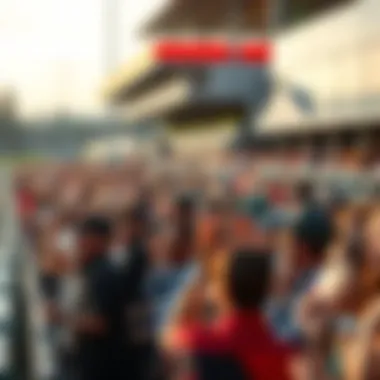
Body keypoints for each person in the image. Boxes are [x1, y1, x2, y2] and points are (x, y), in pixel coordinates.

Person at [162, 249, 295, 380]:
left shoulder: (192, 342)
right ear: (269, 289)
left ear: (222, 290)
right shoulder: (283, 355)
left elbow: (168, 339)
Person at [71, 216, 126, 380]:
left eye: (86, 237)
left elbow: (101, 324)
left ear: (100, 240)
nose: (81, 243)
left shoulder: (104, 274)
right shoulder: (95, 270)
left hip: (102, 364)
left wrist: (64, 318)